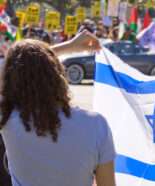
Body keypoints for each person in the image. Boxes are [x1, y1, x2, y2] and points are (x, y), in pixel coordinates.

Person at [0, 30, 116, 186]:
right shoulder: (97, 124)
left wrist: (67, 47)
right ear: (59, 74)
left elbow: (9, 69)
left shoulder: (9, 122)